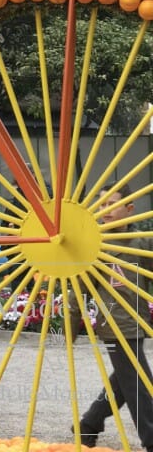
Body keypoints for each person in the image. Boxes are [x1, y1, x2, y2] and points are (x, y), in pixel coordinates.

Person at [76, 184, 153, 451]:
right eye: (100, 203)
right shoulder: (96, 245)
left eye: (112, 204)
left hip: (137, 321)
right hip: (114, 325)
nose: (104, 210)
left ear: (129, 209)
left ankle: (89, 423)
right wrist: (68, 329)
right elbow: (79, 288)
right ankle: (151, 438)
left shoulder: (142, 241)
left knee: (124, 380)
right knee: (139, 384)